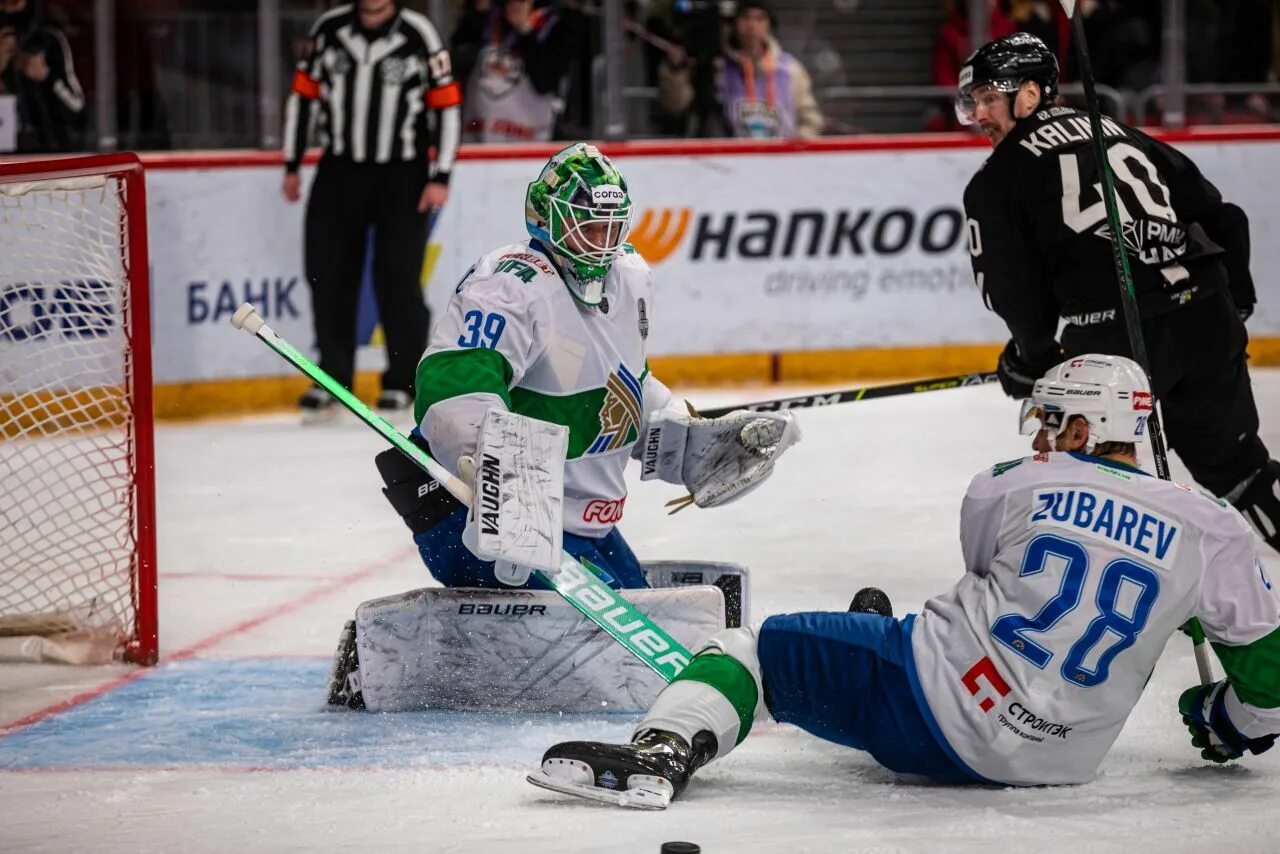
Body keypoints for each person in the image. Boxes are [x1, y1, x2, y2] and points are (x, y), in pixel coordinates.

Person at [529, 355, 1280, 807]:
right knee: (885, 640)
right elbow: (1269, 687)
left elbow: (992, 580)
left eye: (1054, 421)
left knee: (751, 648)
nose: (1044, 434)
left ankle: (663, 753)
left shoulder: (1010, 482)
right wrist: (1226, 721)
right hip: (1062, 763)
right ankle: (868, 641)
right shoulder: (1214, 527)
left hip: (932, 703)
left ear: (1083, 428)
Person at [372, 142, 801, 591]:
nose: (600, 245)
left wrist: (687, 443)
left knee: (646, 618)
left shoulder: (630, 276)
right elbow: (454, 386)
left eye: (609, 230)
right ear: (546, 218)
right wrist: (491, 471)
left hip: (573, 519)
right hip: (469, 513)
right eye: (587, 228)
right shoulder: (511, 284)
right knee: (622, 646)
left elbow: (624, 383)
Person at [956, 33, 1280, 553]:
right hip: (1208, 315)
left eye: (989, 98)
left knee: (1094, 479)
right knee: (1240, 471)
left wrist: (1033, 358)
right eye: (973, 102)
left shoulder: (996, 179)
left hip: (1115, 339)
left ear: (1031, 94)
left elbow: (1016, 294)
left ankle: (1098, 584)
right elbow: (1224, 218)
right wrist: (1232, 300)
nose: (980, 114)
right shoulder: (1122, 132)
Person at [281, 0, 461, 420]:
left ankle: (402, 379)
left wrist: (442, 174)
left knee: (397, 276)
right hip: (339, 168)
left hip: (403, 174)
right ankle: (331, 378)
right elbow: (303, 95)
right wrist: (292, 164)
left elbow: (447, 105)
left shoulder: (419, 34)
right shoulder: (329, 29)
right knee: (326, 272)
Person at [659, 0, 822, 139]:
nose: (752, 26)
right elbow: (677, 105)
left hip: (782, 164)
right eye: (746, 18)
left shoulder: (790, 69)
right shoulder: (717, 68)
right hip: (729, 164)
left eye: (760, 19)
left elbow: (809, 118)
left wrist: (797, 149)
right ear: (735, 23)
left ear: (769, 25)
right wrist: (675, 70)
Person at [451, 0, 573, 143]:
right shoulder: (488, 17)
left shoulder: (557, 22)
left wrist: (525, 30)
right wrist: (479, 13)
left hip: (529, 146)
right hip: (477, 141)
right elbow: (455, 66)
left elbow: (545, 81)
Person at [0, 0, 84, 152]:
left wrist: (47, 78)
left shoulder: (48, 40)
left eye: (14, 2)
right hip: (6, 158)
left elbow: (77, 107)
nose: (8, 9)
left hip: (49, 152)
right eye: (3, 4)